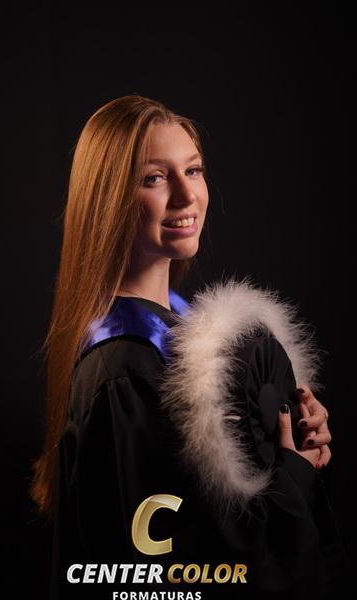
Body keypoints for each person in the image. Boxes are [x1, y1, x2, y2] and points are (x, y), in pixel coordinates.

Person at [31, 95, 344, 599]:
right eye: (154, 178)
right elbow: (170, 571)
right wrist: (293, 478)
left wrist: (292, 443)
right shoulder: (123, 367)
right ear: (109, 198)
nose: (186, 195)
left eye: (193, 170)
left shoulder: (179, 331)